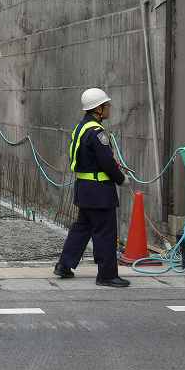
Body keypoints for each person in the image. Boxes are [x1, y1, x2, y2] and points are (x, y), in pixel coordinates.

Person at [54, 88, 130, 287]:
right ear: (98, 108)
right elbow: (105, 161)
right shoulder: (96, 132)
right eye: (107, 105)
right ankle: (106, 275)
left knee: (82, 229)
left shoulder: (81, 127)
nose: (109, 108)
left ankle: (64, 265)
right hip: (99, 191)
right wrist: (121, 178)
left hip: (85, 189)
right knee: (105, 232)